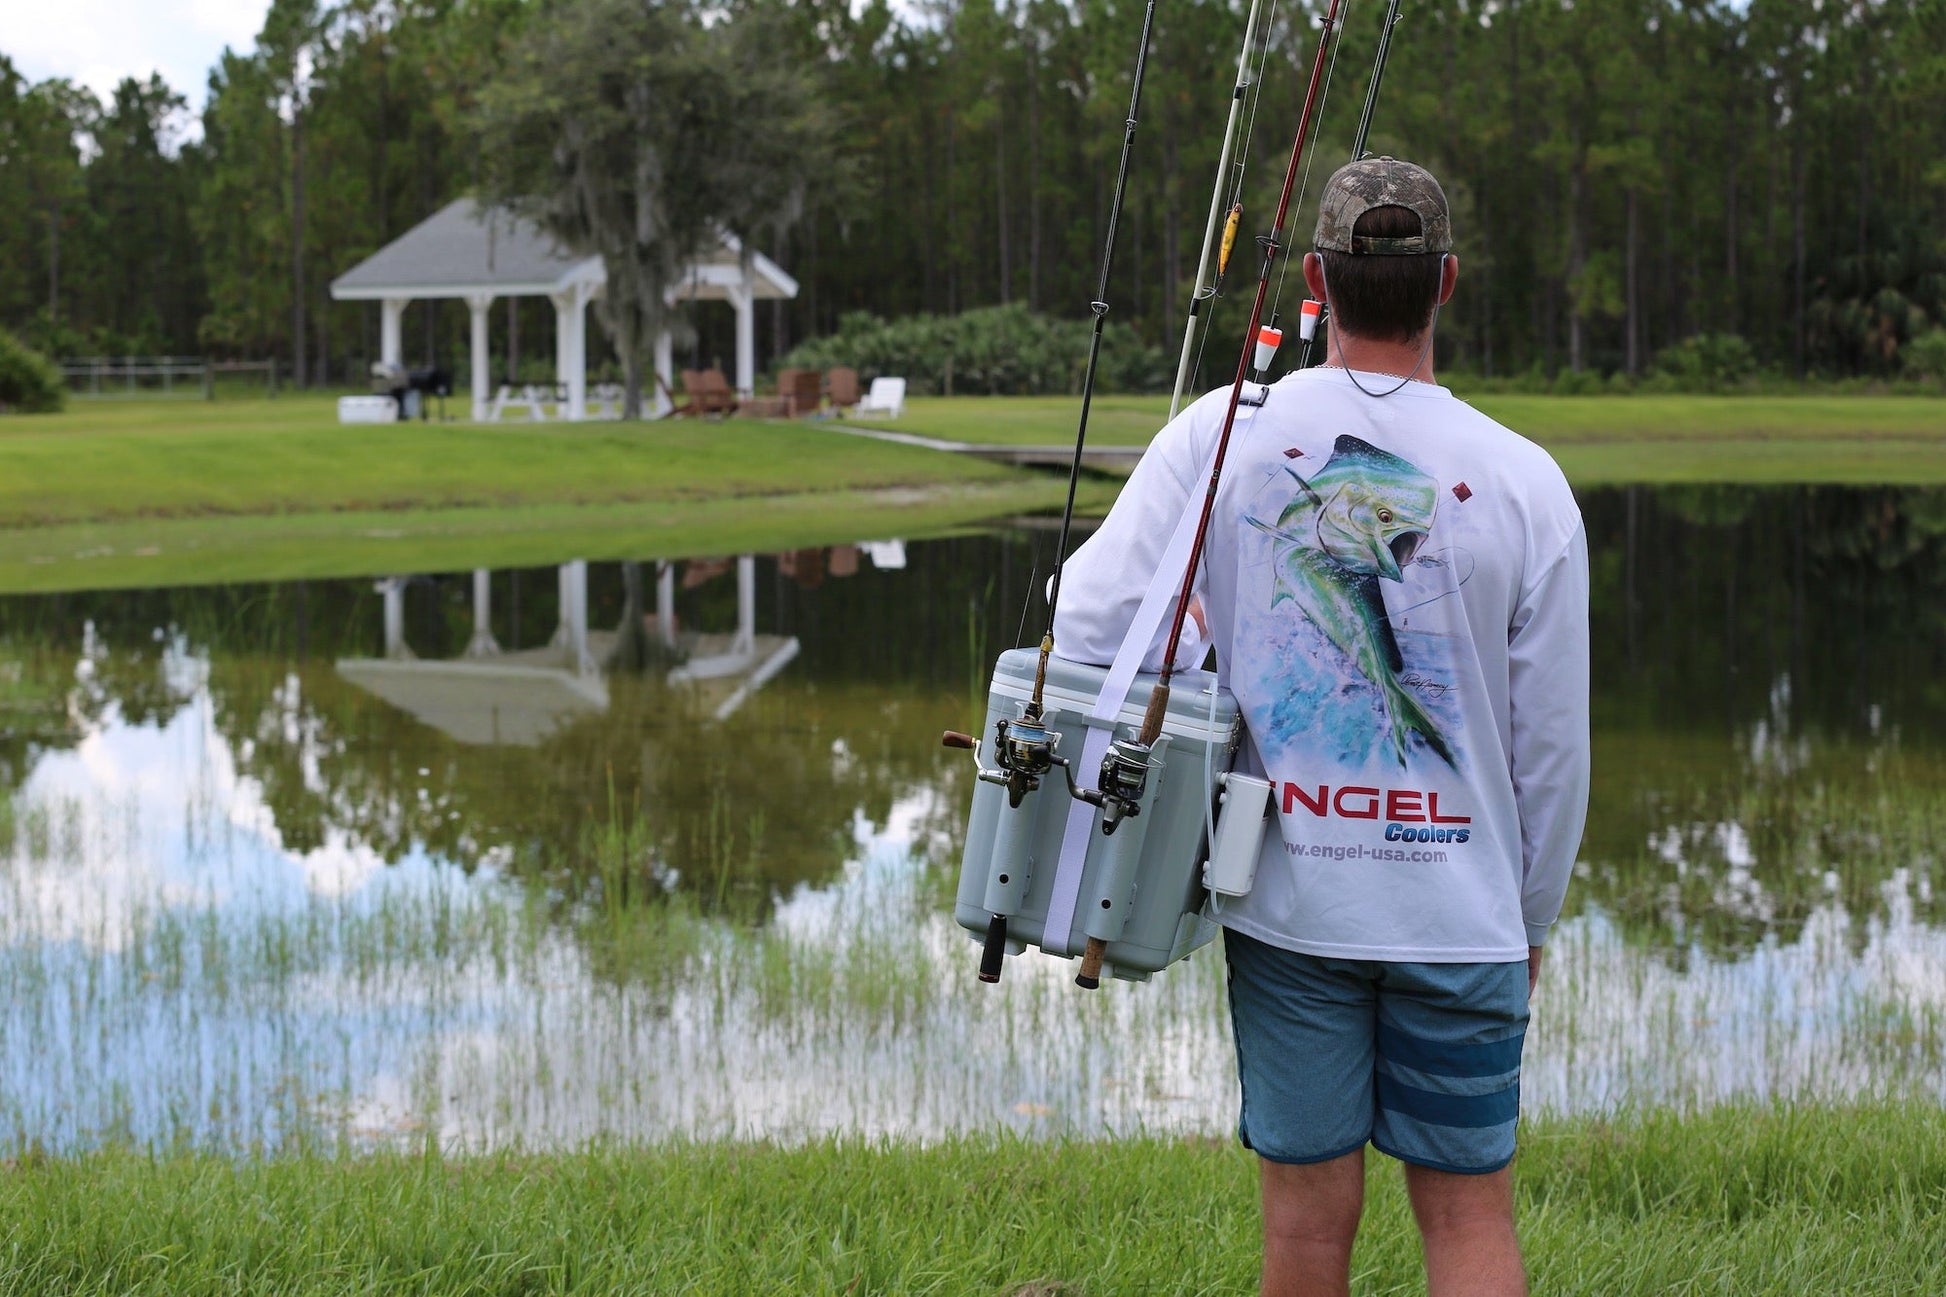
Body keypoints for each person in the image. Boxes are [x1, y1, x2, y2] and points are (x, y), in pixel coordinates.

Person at [1053, 157, 1590, 1296]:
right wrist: (1526, 921)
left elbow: (1086, 619)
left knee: (1302, 1228)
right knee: (1466, 1217)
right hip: (1469, 924)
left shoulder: (1221, 434)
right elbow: (1550, 751)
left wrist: (1197, 644)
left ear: (1316, 280)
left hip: (1291, 913)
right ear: (1444, 283)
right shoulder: (1528, 482)